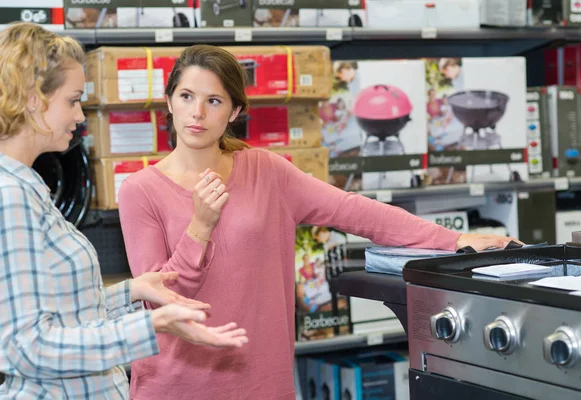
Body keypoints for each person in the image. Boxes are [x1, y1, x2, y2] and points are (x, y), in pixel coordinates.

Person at [118, 44, 522, 399]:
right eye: (187, 96)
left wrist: (453, 239)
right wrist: (200, 227)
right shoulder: (140, 190)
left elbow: (355, 211)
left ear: (235, 111)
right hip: (174, 387)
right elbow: (161, 298)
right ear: (169, 100)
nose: (197, 113)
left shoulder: (267, 172)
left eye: (214, 101)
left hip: (259, 381)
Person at [0, 23, 248, 399]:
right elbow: (29, 348)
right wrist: (152, 325)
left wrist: (131, 291)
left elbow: (64, 313)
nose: (81, 116)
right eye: (72, 99)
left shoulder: (27, 187)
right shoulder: (10, 196)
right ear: (34, 98)